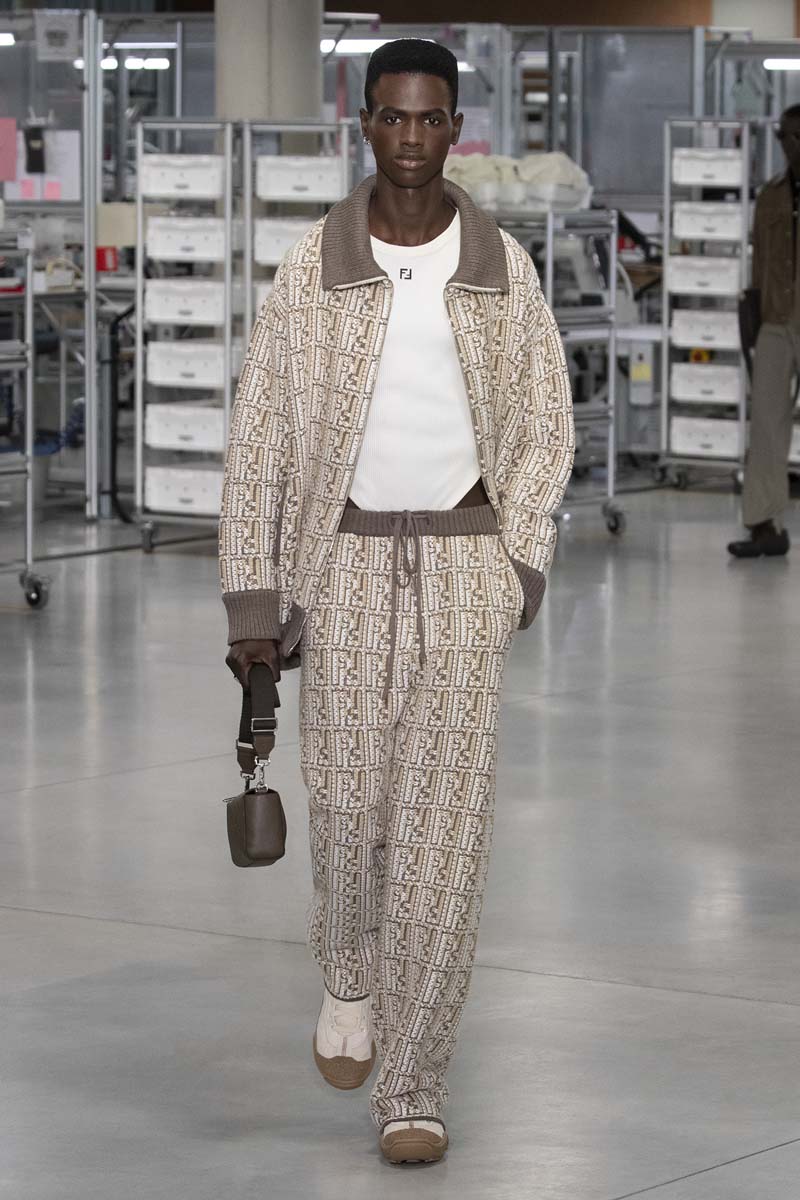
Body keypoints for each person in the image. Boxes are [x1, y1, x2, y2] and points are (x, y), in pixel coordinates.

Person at [219, 38, 573, 1165]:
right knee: (347, 807)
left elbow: (546, 423)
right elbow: (261, 438)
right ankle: (349, 972)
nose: (411, 139)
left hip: (466, 571)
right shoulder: (313, 269)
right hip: (344, 568)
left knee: (443, 838)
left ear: (455, 128)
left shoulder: (500, 269)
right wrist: (254, 606)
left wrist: (517, 565)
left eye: (430, 120)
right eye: (392, 117)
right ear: (364, 123)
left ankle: (413, 1085)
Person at [729, 104, 800, 558]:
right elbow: (758, 264)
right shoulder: (770, 197)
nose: (790, 145)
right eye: (785, 137)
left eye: (796, 136)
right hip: (775, 320)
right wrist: (752, 318)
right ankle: (763, 524)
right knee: (766, 423)